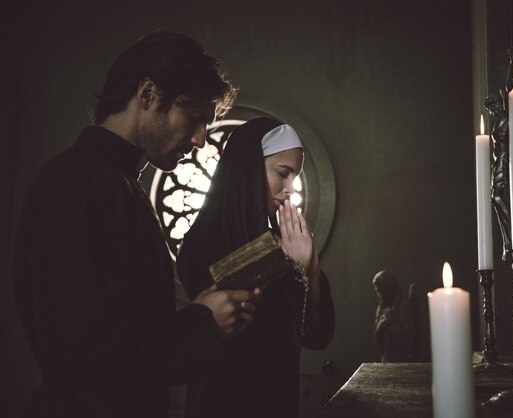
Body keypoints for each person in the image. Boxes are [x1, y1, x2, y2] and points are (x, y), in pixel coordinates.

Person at [13, 31, 260, 418]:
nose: (199, 140)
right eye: (194, 117)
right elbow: (85, 350)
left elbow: (123, 330)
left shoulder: (119, 182)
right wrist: (201, 322)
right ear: (147, 95)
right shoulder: (74, 180)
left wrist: (209, 316)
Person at [177, 117, 335, 418]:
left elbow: (318, 335)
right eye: (282, 173)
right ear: (248, 168)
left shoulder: (281, 242)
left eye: (295, 177)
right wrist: (292, 266)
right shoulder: (201, 242)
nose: (292, 189)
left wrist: (311, 271)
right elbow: (245, 340)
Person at [372, 270, 412, 363]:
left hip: (399, 358)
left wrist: (387, 324)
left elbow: (408, 337)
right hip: (385, 353)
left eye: (383, 291)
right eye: (378, 291)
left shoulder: (403, 306)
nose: (381, 295)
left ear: (392, 288)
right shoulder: (382, 306)